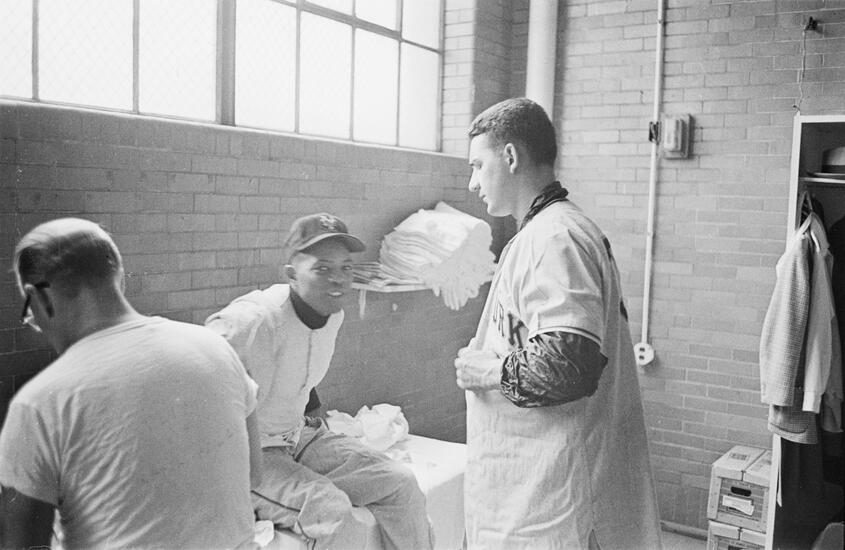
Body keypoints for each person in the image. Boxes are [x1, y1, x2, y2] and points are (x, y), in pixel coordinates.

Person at [454, 98, 663, 550]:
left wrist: (485, 371)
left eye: (478, 165)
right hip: (539, 493)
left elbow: (568, 366)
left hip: (555, 504)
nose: (473, 183)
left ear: (510, 156)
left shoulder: (554, 237)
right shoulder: (548, 232)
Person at [0, 218, 261, 549]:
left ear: (39, 299)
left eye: (30, 313)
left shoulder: (38, 403)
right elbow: (253, 474)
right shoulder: (215, 347)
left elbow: (22, 545)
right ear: (119, 280)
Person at [205, 213, 433, 550]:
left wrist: (322, 440)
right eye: (322, 268)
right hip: (248, 456)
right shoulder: (253, 320)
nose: (337, 279)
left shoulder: (332, 315)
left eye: (345, 268)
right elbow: (200, 385)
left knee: (401, 483)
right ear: (291, 274)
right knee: (331, 511)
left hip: (298, 436)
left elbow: (302, 377)